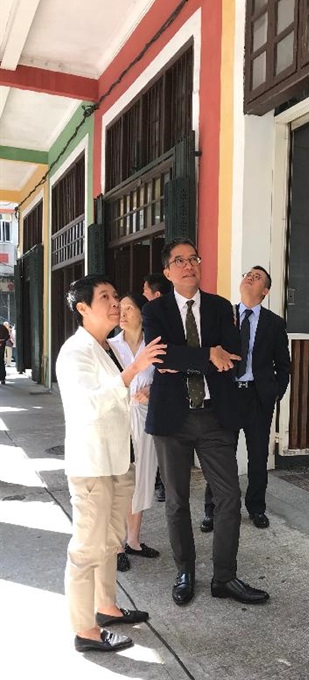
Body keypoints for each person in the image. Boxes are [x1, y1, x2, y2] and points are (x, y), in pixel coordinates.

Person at [142, 237, 270, 606]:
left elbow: (233, 355)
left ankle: (224, 577)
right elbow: (159, 356)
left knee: (229, 497)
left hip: (215, 417)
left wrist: (192, 357)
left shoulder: (218, 308)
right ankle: (185, 571)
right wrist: (206, 354)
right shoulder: (156, 311)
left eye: (193, 258)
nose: (188, 265)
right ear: (168, 271)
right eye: (179, 260)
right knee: (177, 501)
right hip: (172, 419)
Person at [56, 274, 165, 653]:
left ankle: (106, 607)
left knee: (108, 545)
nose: (115, 302)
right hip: (93, 465)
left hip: (118, 460)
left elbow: (118, 395)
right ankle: (85, 630)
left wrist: (134, 389)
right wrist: (132, 372)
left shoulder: (105, 348)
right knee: (87, 549)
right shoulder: (75, 352)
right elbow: (87, 405)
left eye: (116, 295)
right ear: (82, 308)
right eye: (105, 297)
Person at [200, 266, 290, 532]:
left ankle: (256, 508)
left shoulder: (274, 323)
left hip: (258, 398)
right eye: (248, 274)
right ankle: (212, 510)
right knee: (218, 456)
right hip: (227, 396)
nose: (250, 277)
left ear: (265, 291)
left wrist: (274, 394)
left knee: (258, 457)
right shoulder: (224, 317)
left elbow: (283, 366)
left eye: (258, 276)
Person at [109, 292, 160, 572]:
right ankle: (116, 546)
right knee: (120, 481)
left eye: (129, 307)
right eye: (121, 308)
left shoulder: (153, 345)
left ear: (143, 313)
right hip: (118, 419)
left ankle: (134, 541)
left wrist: (153, 390)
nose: (123, 312)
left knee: (141, 479)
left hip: (144, 418)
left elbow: (165, 378)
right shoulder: (110, 346)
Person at [142, 272, 172, 501]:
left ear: (157, 294)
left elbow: (166, 359)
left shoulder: (170, 321)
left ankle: (162, 482)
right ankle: (154, 479)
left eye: (146, 290)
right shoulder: (147, 319)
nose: (143, 294)